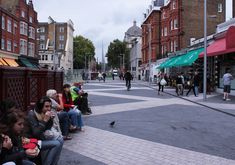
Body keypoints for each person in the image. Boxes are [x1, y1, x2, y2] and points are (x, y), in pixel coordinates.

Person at [27, 96, 63, 165]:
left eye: (50, 106)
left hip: (41, 136)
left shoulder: (43, 113)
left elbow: (48, 128)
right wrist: (45, 120)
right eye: (46, 106)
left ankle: (54, 163)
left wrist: (50, 120)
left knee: (61, 139)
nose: (49, 109)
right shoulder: (32, 114)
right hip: (33, 140)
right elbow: (36, 133)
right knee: (57, 144)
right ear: (40, 106)